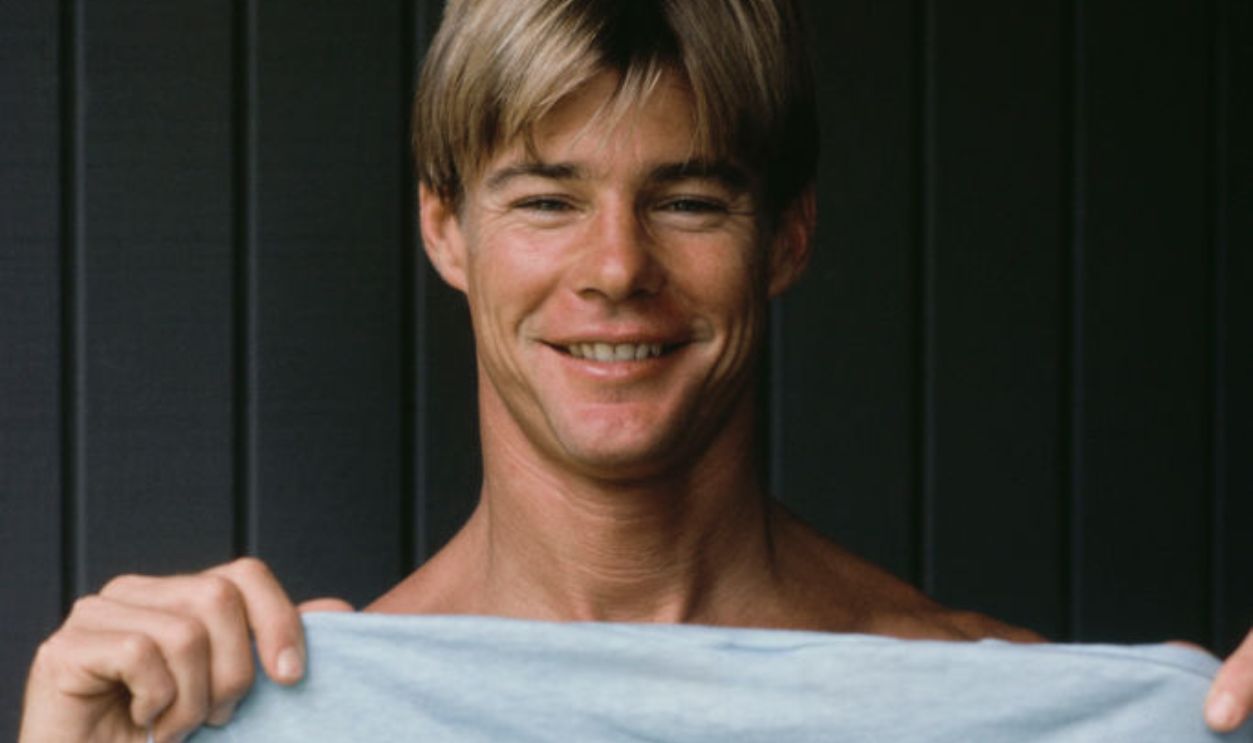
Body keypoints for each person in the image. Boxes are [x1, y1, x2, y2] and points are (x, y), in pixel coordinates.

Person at [18, 0, 1253, 740]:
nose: (615, 268)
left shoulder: (1007, 705)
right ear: (444, 230)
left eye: (688, 199)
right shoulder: (253, 715)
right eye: (546, 199)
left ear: (787, 236)